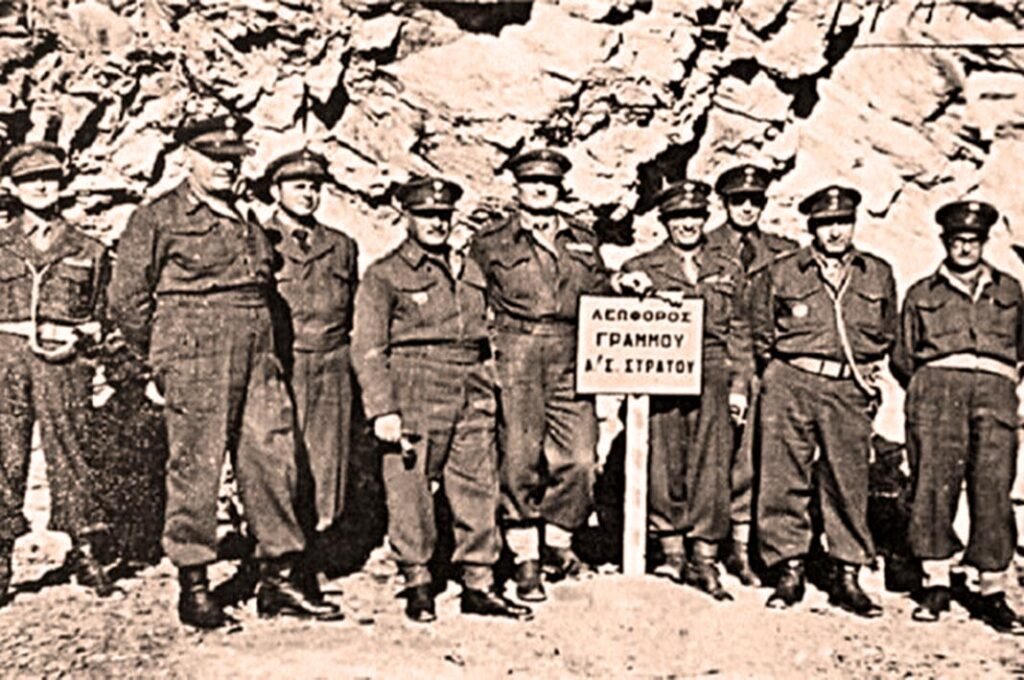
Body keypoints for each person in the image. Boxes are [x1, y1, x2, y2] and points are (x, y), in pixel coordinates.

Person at [107, 113, 341, 629]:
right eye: (213, 157)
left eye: (233, 158)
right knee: (196, 466)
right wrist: (166, 356)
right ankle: (194, 586)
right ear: (187, 157)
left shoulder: (245, 217)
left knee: (272, 457)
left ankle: (278, 576)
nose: (225, 167)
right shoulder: (158, 217)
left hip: (258, 353)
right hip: (196, 350)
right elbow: (126, 300)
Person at [351, 176, 531, 623]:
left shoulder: (470, 268)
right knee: (409, 486)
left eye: (443, 215)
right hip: (415, 382)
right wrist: (382, 408)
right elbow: (368, 346)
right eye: (426, 215)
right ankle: (418, 582)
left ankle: (479, 583)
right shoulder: (385, 274)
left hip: (471, 382)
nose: (436, 223)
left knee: (477, 483)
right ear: (406, 217)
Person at [750, 184, 896, 617]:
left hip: (847, 387)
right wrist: (784, 373)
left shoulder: (876, 272)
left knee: (847, 479)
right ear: (812, 227)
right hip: (791, 380)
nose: (835, 232)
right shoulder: (783, 271)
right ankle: (788, 568)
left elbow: (888, 332)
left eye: (843, 222)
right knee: (783, 476)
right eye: (826, 224)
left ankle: (847, 573)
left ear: (853, 224)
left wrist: (865, 375)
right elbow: (760, 332)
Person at [470, 149, 608, 602]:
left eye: (549, 182)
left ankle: (558, 542)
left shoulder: (582, 239)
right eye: (532, 182)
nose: (541, 189)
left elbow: (601, 292)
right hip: (517, 349)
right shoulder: (492, 241)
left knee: (580, 458)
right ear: (518, 188)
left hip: (572, 350)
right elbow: (472, 300)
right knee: (519, 458)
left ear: (559, 188)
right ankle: (525, 557)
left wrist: (627, 287)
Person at [615, 180, 752, 600]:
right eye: (678, 217)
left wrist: (739, 385)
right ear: (665, 221)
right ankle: (671, 551)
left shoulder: (727, 266)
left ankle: (705, 555)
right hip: (663, 368)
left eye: (694, 216)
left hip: (712, 367)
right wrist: (625, 285)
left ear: (705, 218)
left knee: (713, 463)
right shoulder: (643, 265)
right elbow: (615, 309)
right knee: (663, 459)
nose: (687, 224)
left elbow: (739, 330)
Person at [892, 200, 1024, 634]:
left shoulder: (1010, 290)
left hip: (995, 393)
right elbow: (903, 356)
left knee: (993, 485)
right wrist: (934, 387)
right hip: (937, 392)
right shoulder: (922, 293)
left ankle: (992, 589)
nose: (964, 248)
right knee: (933, 482)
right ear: (944, 242)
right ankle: (935, 582)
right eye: (956, 240)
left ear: (984, 243)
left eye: (973, 240)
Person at [0, 141, 114, 604]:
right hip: (6, 358)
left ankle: (85, 549)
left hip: (63, 361)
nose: (41, 186)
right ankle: (0, 555)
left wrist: (86, 339)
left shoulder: (88, 248)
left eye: (49, 178)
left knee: (72, 451)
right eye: (30, 180)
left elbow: (105, 314)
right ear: (11, 187)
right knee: (3, 454)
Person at [260, 148, 358, 593]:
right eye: (298, 186)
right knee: (282, 461)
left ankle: (313, 550)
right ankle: (283, 560)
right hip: (284, 364)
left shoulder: (341, 245)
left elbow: (353, 311)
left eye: (315, 187)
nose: (308, 194)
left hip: (332, 366)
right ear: (276, 191)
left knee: (327, 464)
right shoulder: (260, 240)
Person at [708, 163, 798, 585]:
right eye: (738, 200)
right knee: (712, 459)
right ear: (723, 203)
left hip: (765, 368)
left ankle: (743, 549)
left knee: (754, 460)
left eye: (755, 201)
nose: (747, 208)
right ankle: (702, 546)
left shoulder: (784, 252)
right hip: (714, 366)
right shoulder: (703, 248)